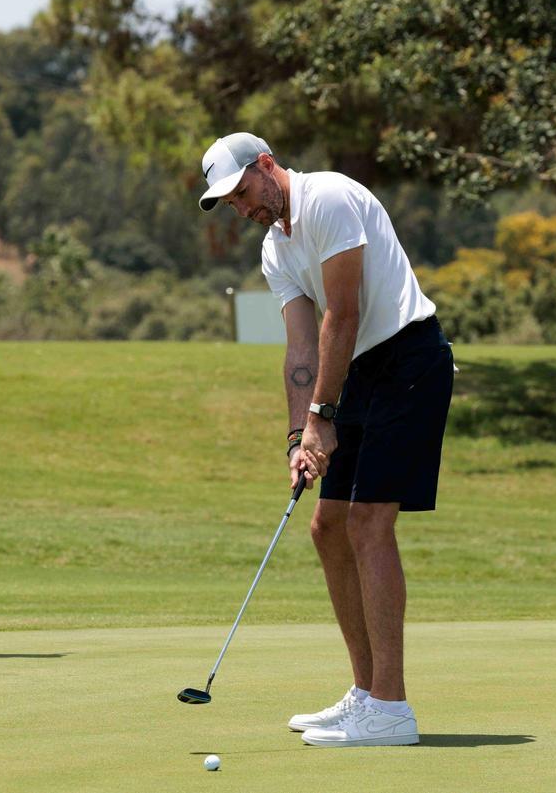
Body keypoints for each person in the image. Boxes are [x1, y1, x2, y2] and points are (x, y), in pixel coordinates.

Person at [198, 133, 454, 747]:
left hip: (408, 360)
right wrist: (298, 437)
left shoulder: (329, 198)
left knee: (368, 522)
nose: (242, 207)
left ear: (266, 166)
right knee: (327, 525)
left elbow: (345, 311)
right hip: (355, 373)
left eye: (241, 193)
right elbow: (302, 348)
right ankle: (365, 692)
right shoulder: (274, 249)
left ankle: (391, 708)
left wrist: (322, 416)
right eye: (229, 203)